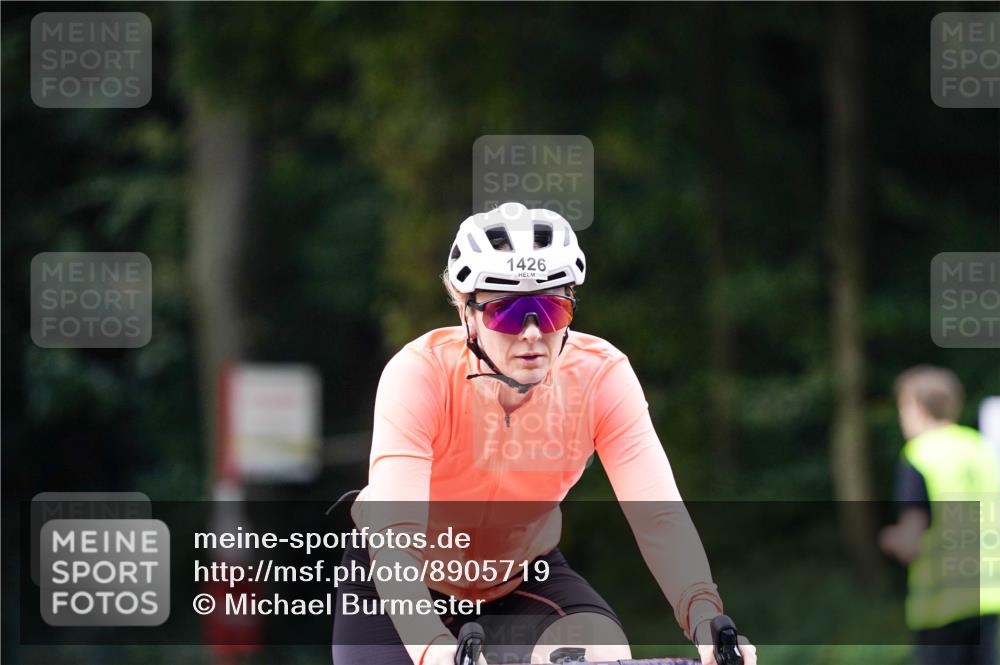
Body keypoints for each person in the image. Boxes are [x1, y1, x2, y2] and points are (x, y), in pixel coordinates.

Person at [332, 202, 757, 665]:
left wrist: (703, 619)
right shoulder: (419, 376)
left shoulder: (601, 377)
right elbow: (397, 543)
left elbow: (658, 516)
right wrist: (434, 650)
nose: (533, 333)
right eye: (508, 313)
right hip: (397, 583)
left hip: (521, 578)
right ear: (467, 313)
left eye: (551, 310)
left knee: (598, 652)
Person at [879, 365, 1000, 665]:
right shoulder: (981, 449)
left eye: (903, 408)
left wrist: (890, 539)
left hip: (941, 607)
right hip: (987, 598)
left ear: (917, 406)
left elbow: (911, 541)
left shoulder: (920, 454)